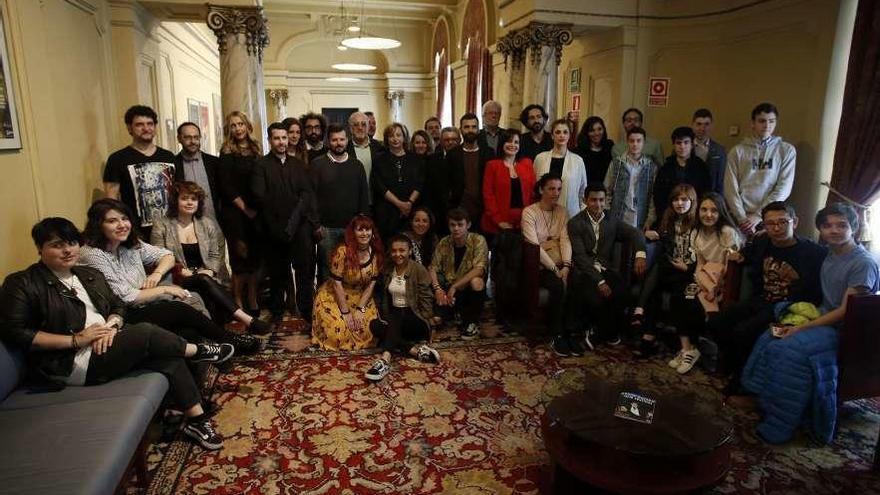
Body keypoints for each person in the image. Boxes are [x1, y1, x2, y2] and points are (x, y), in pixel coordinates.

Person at [0, 217, 233, 450]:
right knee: (146, 331)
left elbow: (117, 305)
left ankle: (197, 420)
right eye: (57, 244)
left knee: (167, 356)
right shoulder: (22, 283)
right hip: (68, 362)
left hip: (106, 344)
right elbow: (16, 332)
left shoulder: (87, 274)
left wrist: (112, 325)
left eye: (72, 243)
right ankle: (199, 351)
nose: (67, 250)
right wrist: (76, 340)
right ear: (40, 248)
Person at [741, 203, 878, 444]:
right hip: (821, 317)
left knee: (787, 349)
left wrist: (802, 328)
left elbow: (846, 312)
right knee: (770, 335)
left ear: (854, 228)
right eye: (827, 226)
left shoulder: (863, 263)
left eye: (841, 225)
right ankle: (764, 399)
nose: (834, 231)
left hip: (845, 331)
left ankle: (781, 424)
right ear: (820, 230)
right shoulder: (830, 254)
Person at [79, 199, 260, 353]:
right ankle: (230, 340)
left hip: (144, 302)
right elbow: (127, 297)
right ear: (98, 225)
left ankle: (219, 351)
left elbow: (167, 255)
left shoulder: (130, 244)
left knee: (189, 322)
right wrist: (164, 288)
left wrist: (157, 274)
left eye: (125, 219)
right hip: (120, 315)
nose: (122, 225)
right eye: (112, 221)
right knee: (178, 308)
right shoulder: (92, 254)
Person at [709, 201, 827, 397]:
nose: (777, 228)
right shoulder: (763, 242)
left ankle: (741, 380)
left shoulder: (813, 253)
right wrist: (738, 256)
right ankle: (733, 361)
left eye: (783, 222)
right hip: (762, 300)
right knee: (716, 322)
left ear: (794, 222)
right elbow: (747, 253)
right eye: (770, 224)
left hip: (786, 307)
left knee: (743, 332)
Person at [150, 181, 271, 334]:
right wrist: (183, 271)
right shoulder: (162, 225)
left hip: (206, 275)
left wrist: (211, 271)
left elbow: (216, 253)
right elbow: (158, 256)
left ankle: (219, 335)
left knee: (206, 285)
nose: (189, 202)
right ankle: (248, 320)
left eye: (193, 199)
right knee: (203, 280)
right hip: (177, 278)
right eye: (184, 198)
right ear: (175, 201)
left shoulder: (207, 224)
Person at [631, 185, 704, 373]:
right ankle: (648, 335)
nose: (679, 204)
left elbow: (704, 256)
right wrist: (648, 233)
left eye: (684, 200)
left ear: (692, 201)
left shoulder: (699, 223)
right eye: (676, 200)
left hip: (691, 272)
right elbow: (663, 244)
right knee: (656, 282)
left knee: (668, 284)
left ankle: (641, 312)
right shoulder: (669, 220)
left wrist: (688, 268)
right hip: (673, 269)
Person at [251, 123, 319, 322]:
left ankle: (305, 308)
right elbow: (259, 197)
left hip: (299, 227)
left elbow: (306, 194)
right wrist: (279, 225)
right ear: (270, 140)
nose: (281, 142)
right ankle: (278, 311)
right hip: (273, 227)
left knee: (304, 269)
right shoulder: (261, 165)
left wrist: (294, 221)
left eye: (284, 138)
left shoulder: (298, 165)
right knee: (277, 271)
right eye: (277, 138)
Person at [567, 184, 647, 347]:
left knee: (624, 293)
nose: (598, 204)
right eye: (593, 200)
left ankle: (601, 331)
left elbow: (636, 233)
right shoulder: (575, 223)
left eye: (601, 200)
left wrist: (640, 254)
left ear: (606, 201)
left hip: (605, 268)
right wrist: (600, 281)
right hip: (585, 271)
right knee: (598, 298)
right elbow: (581, 258)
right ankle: (605, 332)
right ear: (585, 200)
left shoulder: (612, 219)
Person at [365, 235, 440, 382]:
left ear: (410, 251)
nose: (397, 254)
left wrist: (430, 323)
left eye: (402, 250)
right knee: (375, 325)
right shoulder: (387, 269)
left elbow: (426, 299)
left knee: (394, 320)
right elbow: (382, 297)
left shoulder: (418, 270)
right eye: (394, 251)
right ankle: (414, 351)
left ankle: (385, 360)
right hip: (396, 321)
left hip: (416, 320)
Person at [311, 215, 383, 351]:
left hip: (361, 297)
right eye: (360, 230)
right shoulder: (342, 251)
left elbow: (371, 284)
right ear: (353, 232)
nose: (364, 233)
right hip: (336, 295)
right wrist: (346, 313)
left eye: (368, 230)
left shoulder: (376, 253)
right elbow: (336, 284)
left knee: (367, 331)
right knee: (338, 332)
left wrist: (360, 310)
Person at [102, 105, 176, 236]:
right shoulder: (117, 159)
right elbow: (111, 199)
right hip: (136, 231)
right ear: (130, 128)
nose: (146, 128)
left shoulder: (169, 156)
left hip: (170, 229)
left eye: (150, 124)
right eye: (139, 125)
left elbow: (178, 190)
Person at [724, 102, 796, 236]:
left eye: (771, 121)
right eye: (762, 121)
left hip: (771, 217)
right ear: (753, 123)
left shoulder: (786, 150)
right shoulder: (737, 152)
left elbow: (784, 188)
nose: (767, 125)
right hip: (741, 218)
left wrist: (759, 215)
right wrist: (742, 218)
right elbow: (730, 188)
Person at [312, 123, 371, 283]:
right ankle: (326, 304)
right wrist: (316, 225)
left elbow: (363, 196)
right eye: (334, 140)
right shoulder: (317, 165)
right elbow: (311, 197)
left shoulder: (356, 165)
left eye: (342, 139)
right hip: (326, 229)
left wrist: (362, 225)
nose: (338, 143)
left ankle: (347, 301)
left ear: (347, 140)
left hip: (351, 228)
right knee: (326, 268)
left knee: (350, 267)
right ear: (328, 141)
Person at [521, 174, 573, 354]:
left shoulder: (563, 212)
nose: (556, 193)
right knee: (558, 286)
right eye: (551, 188)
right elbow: (535, 247)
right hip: (541, 265)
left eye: (559, 189)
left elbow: (566, 240)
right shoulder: (529, 212)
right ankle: (556, 334)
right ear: (541, 189)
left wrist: (566, 266)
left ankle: (575, 330)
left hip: (562, 263)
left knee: (581, 280)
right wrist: (555, 269)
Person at [217, 111, 262, 314]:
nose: (238, 128)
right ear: (229, 129)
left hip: (255, 211)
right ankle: (237, 300)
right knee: (239, 257)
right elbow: (225, 186)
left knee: (254, 258)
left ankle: (252, 297)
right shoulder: (226, 151)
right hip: (235, 212)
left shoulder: (255, 148)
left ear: (247, 126)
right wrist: (245, 209)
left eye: (240, 124)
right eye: (233, 125)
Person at [429, 208, 489, 340]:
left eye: (460, 225)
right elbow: (433, 267)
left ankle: (472, 322)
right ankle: (449, 314)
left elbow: (479, 269)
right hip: (448, 289)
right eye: (452, 225)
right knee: (436, 320)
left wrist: (455, 286)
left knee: (477, 281)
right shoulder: (444, 242)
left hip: (466, 288)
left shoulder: (478, 240)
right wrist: (437, 289)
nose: (456, 229)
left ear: (468, 225)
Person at [372, 123, 425, 241]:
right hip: (387, 210)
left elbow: (419, 183)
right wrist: (399, 204)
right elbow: (379, 185)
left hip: (410, 210)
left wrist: (409, 203)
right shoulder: (379, 159)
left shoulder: (415, 159)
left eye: (398, 135)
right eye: (391, 136)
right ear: (386, 139)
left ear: (404, 137)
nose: (395, 139)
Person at [605, 127, 658, 234]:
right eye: (632, 141)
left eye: (639, 141)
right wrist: (607, 213)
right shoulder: (616, 164)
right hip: (619, 213)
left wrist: (650, 218)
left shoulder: (651, 167)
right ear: (627, 142)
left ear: (644, 143)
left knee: (637, 246)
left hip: (640, 214)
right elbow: (607, 189)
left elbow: (653, 195)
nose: (635, 144)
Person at [652, 126, 711, 223]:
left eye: (686, 142)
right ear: (674, 145)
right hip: (670, 216)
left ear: (692, 144)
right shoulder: (666, 167)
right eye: (678, 143)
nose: (682, 146)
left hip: (695, 216)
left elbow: (706, 192)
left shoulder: (701, 167)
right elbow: (658, 194)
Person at [533, 119, 589, 218]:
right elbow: (535, 187)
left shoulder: (578, 161)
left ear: (569, 135)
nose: (562, 135)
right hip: (543, 214)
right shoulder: (540, 158)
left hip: (570, 214)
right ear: (552, 135)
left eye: (565, 132)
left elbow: (583, 191)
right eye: (558, 132)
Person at [450, 113, 491, 230]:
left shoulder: (489, 153)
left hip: (483, 208)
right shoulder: (453, 154)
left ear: (478, 130)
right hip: (460, 208)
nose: (470, 130)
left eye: (474, 127)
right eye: (466, 127)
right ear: (461, 130)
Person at [174, 122, 220, 220]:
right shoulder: (173, 164)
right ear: (179, 139)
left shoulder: (214, 163)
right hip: (186, 225)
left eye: (196, 137)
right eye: (187, 137)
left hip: (214, 222)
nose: (193, 141)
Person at [423, 127, 460, 236]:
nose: (450, 142)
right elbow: (428, 187)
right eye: (447, 140)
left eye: (454, 139)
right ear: (441, 141)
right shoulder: (431, 160)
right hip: (437, 211)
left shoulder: (465, 158)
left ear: (459, 140)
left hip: (460, 210)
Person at [347, 111, 384, 197]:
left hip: (377, 200)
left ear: (368, 128)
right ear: (351, 128)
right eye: (356, 125)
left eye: (363, 124)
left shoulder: (379, 147)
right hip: (354, 199)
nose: (360, 128)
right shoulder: (345, 149)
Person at [691, 108, 726, 194]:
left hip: (711, 198)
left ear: (711, 126)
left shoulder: (719, 150)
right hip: (688, 198)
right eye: (698, 124)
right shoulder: (684, 147)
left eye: (706, 124)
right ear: (692, 125)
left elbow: (721, 180)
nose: (702, 128)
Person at [575, 116, 614, 186]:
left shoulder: (609, 146)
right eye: (592, 130)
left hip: (605, 191)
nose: (596, 133)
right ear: (586, 132)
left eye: (599, 129)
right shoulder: (579, 151)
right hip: (585, 191)